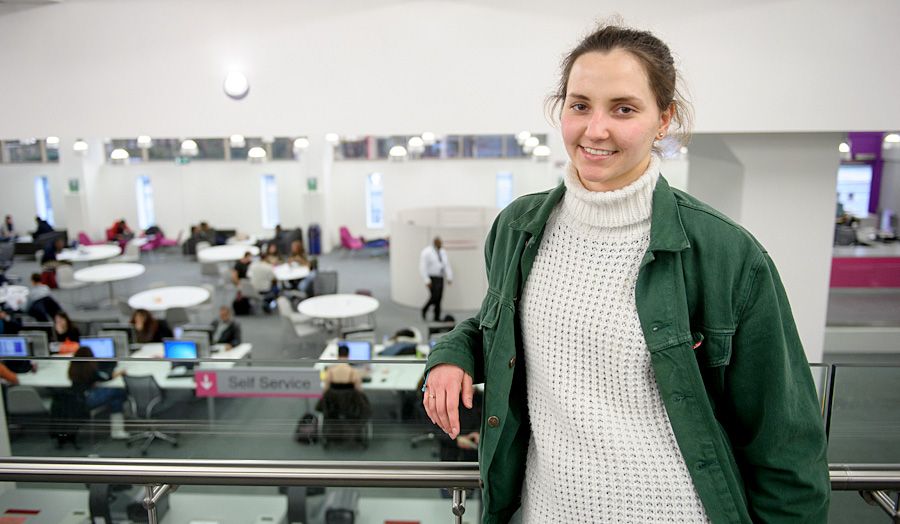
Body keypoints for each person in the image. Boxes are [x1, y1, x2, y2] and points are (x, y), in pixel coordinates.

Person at [423, 24, 829, 523]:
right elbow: (497, 323)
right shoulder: (519, 228)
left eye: (624, 109)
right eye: (580, 105)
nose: (596, 129)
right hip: (545, 512)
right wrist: (451, 354)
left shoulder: (725, 253)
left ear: (664, 120)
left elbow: (785, 444)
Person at [67, 346, 129, 439]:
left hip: (77, 399)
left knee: (116, 400)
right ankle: (118, 429)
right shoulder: (89, 369)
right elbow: (106, 377)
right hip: (87, 400)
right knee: (118, 391)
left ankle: (117, 431)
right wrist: (119, 373)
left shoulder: (73, 368)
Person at [419, 237, 453, 322]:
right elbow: (423, 267)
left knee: (439, 298)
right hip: (432, 278)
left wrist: (449, 277)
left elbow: (446, 265)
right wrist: (426, 280)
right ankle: (424, 309)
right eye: (439, 243)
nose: (441, 244)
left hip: (440, 277)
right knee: (435, 296)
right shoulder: (427, 252)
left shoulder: (442, 252)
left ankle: (437, 316)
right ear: (435, 243)